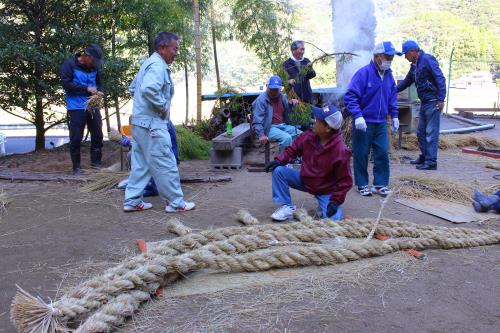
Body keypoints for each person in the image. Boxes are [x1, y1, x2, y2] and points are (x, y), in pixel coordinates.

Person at [123, 31, 194, 213]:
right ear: (162, 48)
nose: (176, 53)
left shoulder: (148, 63)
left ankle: (132, 201)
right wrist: (162, 106)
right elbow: (148, 89)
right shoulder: (158, 66)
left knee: (141, 164)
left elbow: (134, 88)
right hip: (152, 125)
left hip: (139, 123)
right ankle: (176, 203)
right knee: (166, 162)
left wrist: (143, 107)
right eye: (174, 48)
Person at [265, 105, 352, 221]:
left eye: (318, 120)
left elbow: (345, 181)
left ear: (327, 128)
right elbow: (293, 149)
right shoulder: (309, 136)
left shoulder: (341, 150)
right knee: (279, 171)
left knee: (334, 221)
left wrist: (335, 201)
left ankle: (325, 206)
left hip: (325, 190)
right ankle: (287, 206)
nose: (314, 121)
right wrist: (278, 160)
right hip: (305, 180)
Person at [344, 41, 400, 197]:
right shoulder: (363, 74)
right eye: (387, 57)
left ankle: (380, 184)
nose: (390, 60)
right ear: (377, 56)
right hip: (364, 121)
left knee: (382, 152)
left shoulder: (389, 76)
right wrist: (357, 115)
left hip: (381, 122)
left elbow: (392, 96)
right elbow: (350, 96)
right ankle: (362, 184)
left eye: (392, 57)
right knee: (361, 153)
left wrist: (394, 115)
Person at [397, 40, 446, 170]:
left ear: (413, 52)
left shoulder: (427, 59)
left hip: (433, 102)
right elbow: (407, 81)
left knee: (431, 132)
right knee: (420, 132)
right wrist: (392, 90)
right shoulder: (414, 65)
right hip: (424, 102)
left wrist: (441, 98)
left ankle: (431, 162)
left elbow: (440, 78)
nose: (405, 57)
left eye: (406, 54)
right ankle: (425, 157)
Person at [61, 44, 104, 175]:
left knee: (97, 135)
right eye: (94, 61)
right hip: (76, 107)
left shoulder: (95, 67)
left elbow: (100, 82)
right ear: (86, 56)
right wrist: (86, 88)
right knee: (76, 137)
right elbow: (66, 83)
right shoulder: (69, 65)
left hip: (92, 106)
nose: (95, 64)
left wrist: (101, 91)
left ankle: (96, 167)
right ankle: (77, 168)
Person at [252, 75, 300, 152]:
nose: (274, 91)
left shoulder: (282, 97)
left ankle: (294, 158)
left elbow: (288, 112)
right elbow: (257, 121)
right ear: (268, 87)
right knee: (287, 138)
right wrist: (261, 135)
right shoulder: (261, 100)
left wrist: (291, 104)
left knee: (301, 135)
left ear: (280, 88)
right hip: (268, 128)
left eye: (276, 89)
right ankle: (282, 161)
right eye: (272, 89)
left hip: (283, 126)